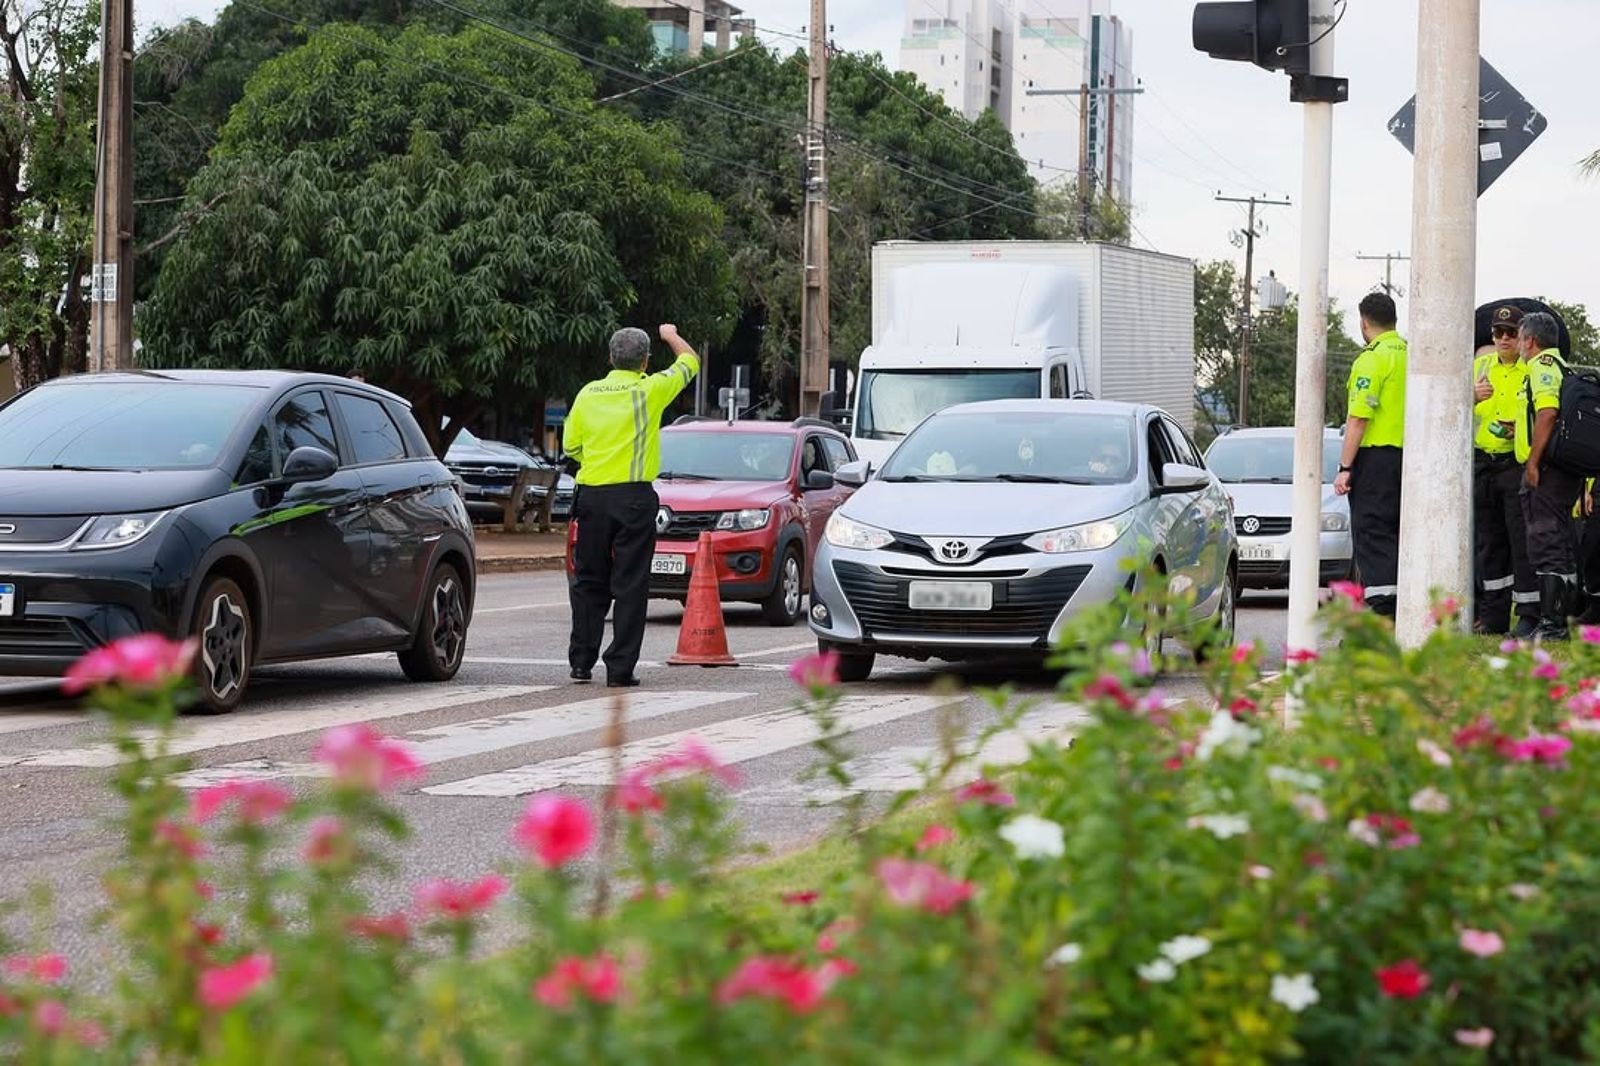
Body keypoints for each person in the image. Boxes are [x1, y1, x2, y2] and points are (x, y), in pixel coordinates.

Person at [564, 325, 700, 687]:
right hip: (634, 500)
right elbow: (690, 361)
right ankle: (620, 668)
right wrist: (670, 334)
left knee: (589, 581)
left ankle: (581, 661)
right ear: (644, 362)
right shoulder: (649, 388)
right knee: (630, 584)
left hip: (591, 497)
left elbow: (571, 447)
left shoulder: (588, 393)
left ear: (610, 357)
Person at [1333, 293, 1407, 618]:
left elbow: (1359, 418)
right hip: (1411, 460)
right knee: (1400, 533)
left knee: (1374, 534)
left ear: (1364, 322)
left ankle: (1381, 613)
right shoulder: (1411, 355)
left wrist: (1345, 467)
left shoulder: (1372, 359)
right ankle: (1402, 609)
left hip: (1376, 461)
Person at [1471, 305, 1539, 636]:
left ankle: (1528, 614)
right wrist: (1470, 395)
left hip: (1516, 464)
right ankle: (1494, 616)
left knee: (1521, 542)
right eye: (1499, 332)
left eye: (1511, 332)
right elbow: (1448, 405)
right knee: (1490, 543)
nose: (1504, 338)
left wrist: (1520, 430)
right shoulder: (1480, 367)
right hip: (1483, 462)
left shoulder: (1531, 370)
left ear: (1523, 336)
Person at [1518, 311, 1582, 641]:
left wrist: (1532, 461)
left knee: (1547, 543)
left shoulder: (1540, 366)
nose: (1516, 345)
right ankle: (1562, 620)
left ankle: (1553, 625)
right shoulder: (1562, 367)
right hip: (1563, 469)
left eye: (1518, 338)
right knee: (1560, 542)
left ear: (1530, 340)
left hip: (1547, 470)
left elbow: (1547, 413)